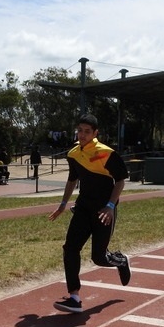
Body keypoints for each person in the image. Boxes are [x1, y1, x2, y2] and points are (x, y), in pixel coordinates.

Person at [49, 114, 131, 313]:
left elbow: (120, 180)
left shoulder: (105, 153)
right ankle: (74, 297)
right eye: (80, 130)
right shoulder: (73, 154)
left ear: (95, 133)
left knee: (99, 258)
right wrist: (62, 205)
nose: (82, 135)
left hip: (104, 211)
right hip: (83, 208)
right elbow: (71, 180)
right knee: (70, 249)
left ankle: (121, 260)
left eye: (87, 131)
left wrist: (111, 206)